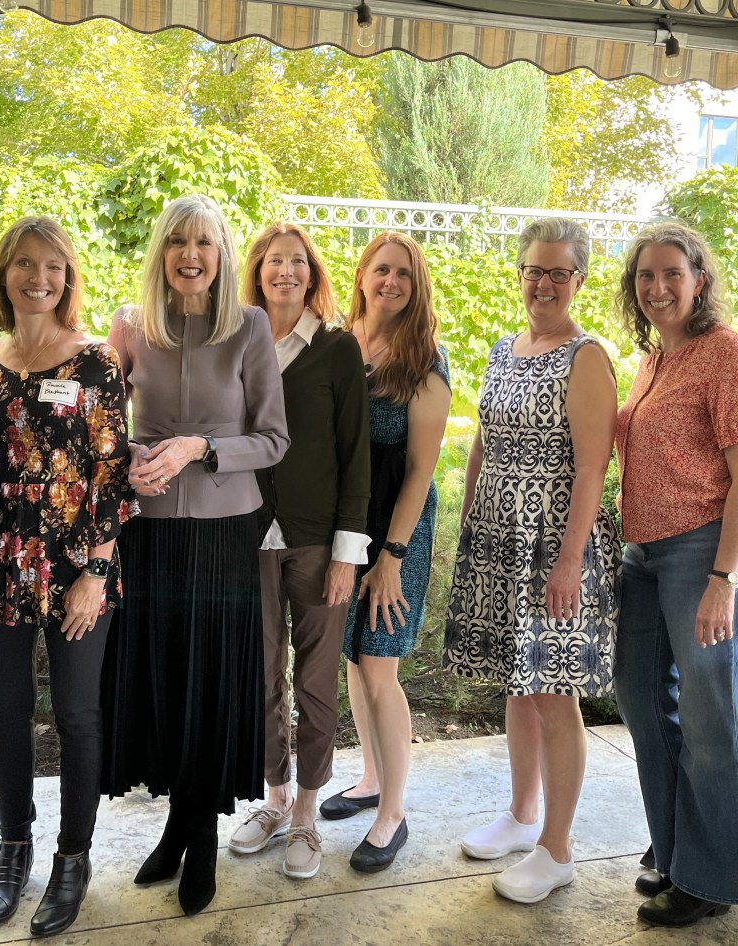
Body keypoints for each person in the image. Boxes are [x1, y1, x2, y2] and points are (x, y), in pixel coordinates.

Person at [101, 195, 289, 916]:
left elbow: (273, 439)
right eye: (178, 241)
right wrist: (130, 456)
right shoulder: (130, 326)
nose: (190, 255)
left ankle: (200, 835)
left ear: (221, 254)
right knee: (166, 681)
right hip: (147, 534)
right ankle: (177, 825)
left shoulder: (249, 326)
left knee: (210, 683)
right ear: (162, 252)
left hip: (223, 532)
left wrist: (200, 447)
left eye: (204, 243)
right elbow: (99, 425)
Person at [442, 218, 621, 903]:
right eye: (533, 270)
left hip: (552, 543)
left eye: (558, 272)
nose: (543, 284)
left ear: (579, 280)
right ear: (519, 274)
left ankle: (558, 848)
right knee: (517, 685)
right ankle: (521, 816)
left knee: (551, 694)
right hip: (500, 539)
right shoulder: (503, 348)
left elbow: (592, 466)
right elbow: (484, 442)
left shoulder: (586, 357)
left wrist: (570, 560)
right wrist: (470, 524)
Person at [0, 217, 137, 938]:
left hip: (77, 567)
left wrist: (95, 571)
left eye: (53, 266)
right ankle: (14, 850)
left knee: (76, 714)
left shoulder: (96, 362)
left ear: (68, 277)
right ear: (3, 274)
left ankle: (74, 858)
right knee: (8, 711)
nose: (39, 278)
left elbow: (114, 474)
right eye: (24, 264)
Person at [613, 222, 738, 928]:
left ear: (699, 280)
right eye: (645, 276)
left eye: (671, 274)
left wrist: (724, 579)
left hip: (712, 547)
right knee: (641, 699)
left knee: (709, 716)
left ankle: (712, 879)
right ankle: (678, 850)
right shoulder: (654, 360)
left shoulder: (728, 355)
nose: (657, 288)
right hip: (647, 552)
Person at [226, 222, 369, 879]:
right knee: (258, 676)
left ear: (312, 275)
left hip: (317, 541)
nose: (285, 271)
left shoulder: (337, 348)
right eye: (274, 261)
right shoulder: (234, 343)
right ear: (257, 272)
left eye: (297, 262)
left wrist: (347, 553)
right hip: (248, 535)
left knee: (314, 683)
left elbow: (355, 456)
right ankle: (276, 798)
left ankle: (308, 811)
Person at [318, 232, 450, 873]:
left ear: (415, 286)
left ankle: (393, 812)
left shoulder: (425, 360)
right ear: (362, 276)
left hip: (398, 528)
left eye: (402, 273)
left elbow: (421, 471)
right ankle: (370, 778)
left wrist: (392, 557)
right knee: (353, 657)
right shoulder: (340, 343)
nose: (390, 282)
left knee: (379, 665)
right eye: (381, 270)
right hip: (346, 523)